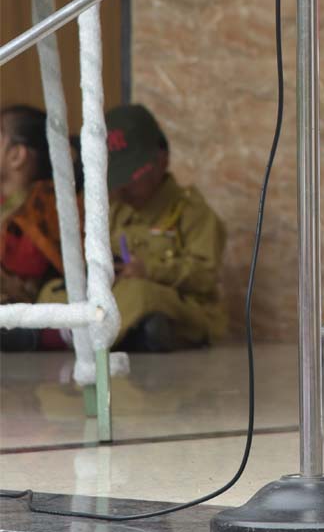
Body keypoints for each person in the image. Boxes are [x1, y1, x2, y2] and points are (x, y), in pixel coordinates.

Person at [40, 104, 227, 351]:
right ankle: (135, 334)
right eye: (117, 178)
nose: (123, 187)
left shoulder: (193, 213)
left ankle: (64, 336)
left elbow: (205, 277)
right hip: (117, 296)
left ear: (162, 160)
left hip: (179, 303)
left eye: (132, 177)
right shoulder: (116, 209)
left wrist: (150, 270)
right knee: (53, 289)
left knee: (140, 294)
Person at [0, 105, 72, 351]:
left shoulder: (46, 203)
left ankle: (36, 335)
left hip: (27, 299)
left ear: (16, 155)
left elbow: (27, 264)